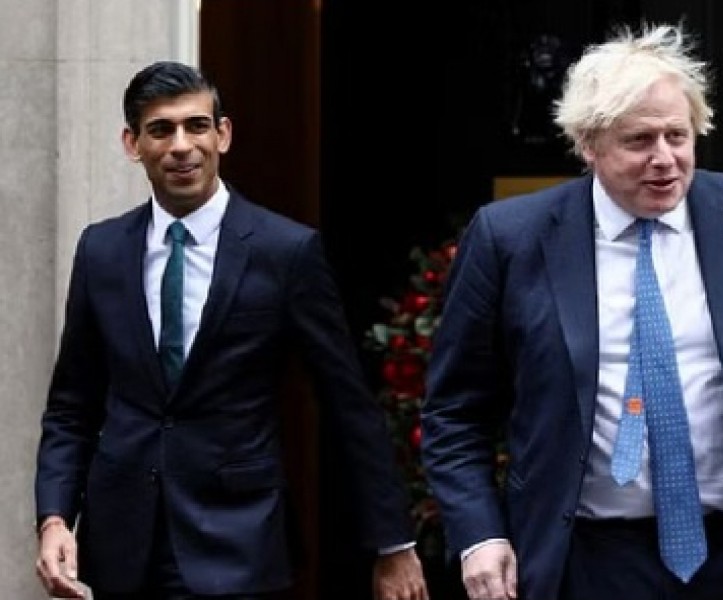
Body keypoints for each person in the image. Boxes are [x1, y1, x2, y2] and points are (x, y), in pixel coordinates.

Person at [421, 23, 723, 600]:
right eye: (639, 141)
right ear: (588, 144)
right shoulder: (511, 239)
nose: (664, 159)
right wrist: (480, 535)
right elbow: (455, 411)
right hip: (588, 560)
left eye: (678, 136)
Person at [34, 61, 428, 600]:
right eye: (160, 129)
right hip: (122, 546)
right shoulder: (101, 250)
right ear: (132, 144)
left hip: (238, 543)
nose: (180, 145)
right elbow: (72, 406)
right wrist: (55, 517)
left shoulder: (284, 251)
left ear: (223, 134)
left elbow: (346, 403)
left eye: (196, 125)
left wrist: (392, 544)